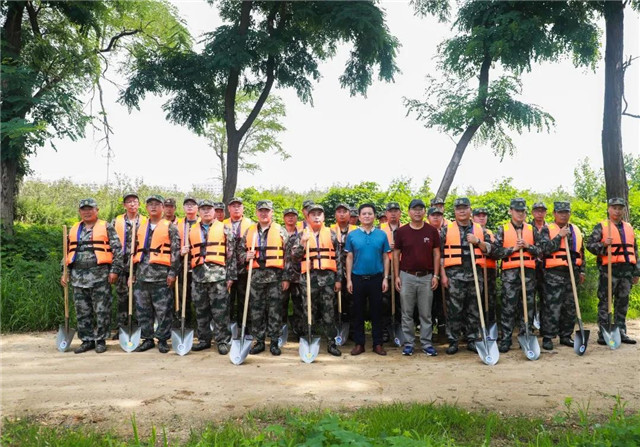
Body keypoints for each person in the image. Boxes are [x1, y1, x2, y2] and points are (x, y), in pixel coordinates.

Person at [61, 199, 123, 354]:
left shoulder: (106, 227)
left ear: (97, 210)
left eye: (90, 209)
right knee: (82, 311)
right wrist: (64, 272)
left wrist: (115, 270)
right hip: (78, 277)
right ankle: (87, 340)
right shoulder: (74, 228)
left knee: (102, 310)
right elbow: (67, 251)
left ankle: (101, 340)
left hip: (100, 275)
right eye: (84, 209)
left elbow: (118, 250)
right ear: (79, 211)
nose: (87, 212)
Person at [491, 198, 544, 353]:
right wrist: (513, 249)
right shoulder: (503, 229)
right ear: (511, 211)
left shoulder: (532, 229)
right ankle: (506, 339)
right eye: (517, 210)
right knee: (508, 307)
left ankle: (525, 336)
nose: (520, 214)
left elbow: (541, 250)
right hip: (510, 275)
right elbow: (495, 252)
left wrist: (528, 246)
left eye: (522, 211)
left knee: (528, 307)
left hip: (528, 274)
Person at [440, 198, 491, 355]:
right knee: (454, 309)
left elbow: (489, 249)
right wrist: (443, 275)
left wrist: (477, 241)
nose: (462, 211)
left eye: (465, 208)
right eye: (458, 208)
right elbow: (439, 255)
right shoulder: (446, 230)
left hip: (475, 276)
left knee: (474, 309)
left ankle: (472, 340)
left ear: (470, 210)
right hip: (454, 276)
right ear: (454, 211)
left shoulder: (480, 229)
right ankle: (453, 341)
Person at [291, 204, 342, 356]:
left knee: (329, 311)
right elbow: (294, 258)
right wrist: (302, 243)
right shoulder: (301, 235)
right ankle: (309, 339)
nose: (317, 216)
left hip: (328, 279)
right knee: (308, 310)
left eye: (319, 214)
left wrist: (338, 279)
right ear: (308, 217)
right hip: (309, 278)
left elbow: (338, 258)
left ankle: (331, 343)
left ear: (324, 217)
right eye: (313, 214)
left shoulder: (332, 234)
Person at [586, 197, 639, 345]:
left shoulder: (629, 227)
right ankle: (604, 332)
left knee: (622, 302)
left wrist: (636, 272)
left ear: (624, 210)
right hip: (609, 271)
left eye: (620, 208)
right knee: (605, 302)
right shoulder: (601, 227)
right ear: (609, 209)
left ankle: (621, 332)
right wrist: (603, 244)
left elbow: (634, 250)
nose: (617, 211)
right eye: (614, 208)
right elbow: (589, 246)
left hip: (626, 271)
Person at [186, 199, 236, 354]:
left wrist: (230, 276)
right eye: (203, 209)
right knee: (201, 311)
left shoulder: (225, 228)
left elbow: (231, 255)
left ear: (214, 211)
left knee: (220, 311)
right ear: (199, 212)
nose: (206, 211)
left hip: (218, 277)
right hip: (198, 276)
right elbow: (189, 254)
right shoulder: (191, 230)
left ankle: (222, 341)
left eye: (209, 209)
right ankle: (204, 340)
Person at [132, 195, 180, 353]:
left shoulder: (170, 227)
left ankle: (162, 339)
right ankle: (147, 339)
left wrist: (172, 273)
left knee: (163, 310)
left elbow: (175, 252)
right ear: (146, 208)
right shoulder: (139, 227)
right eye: (150, 204)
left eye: (157, 204)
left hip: (161, 276)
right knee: (143, 310)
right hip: (142, 275)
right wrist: (132, 273)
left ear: (163, 208)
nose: (153, 207)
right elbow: (134, 251)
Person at [393, 199, 441, 356]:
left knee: (426, 313)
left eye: (421, 209)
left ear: (424, 212)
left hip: (427, 277)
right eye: (415, 209)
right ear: (409, 212)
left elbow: (436, 254)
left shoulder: (432, 231)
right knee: (406, 312)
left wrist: (436, 275)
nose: (418, 212)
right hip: (406, 276)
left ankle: (426, 343)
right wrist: (397, 276)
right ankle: (409, 344)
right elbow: (396, 254)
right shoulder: (401, 232)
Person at [243, 200, 291, 356]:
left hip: (275, 276)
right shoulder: (249, 231)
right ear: (256, 213)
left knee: (275, 310)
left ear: (272, 212)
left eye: (267, 211)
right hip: (256, 276)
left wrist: (286, 278)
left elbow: (288, 256)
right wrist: (245, 256)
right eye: (261, 211)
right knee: (256, 310)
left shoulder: (281, 231)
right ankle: (259, 341)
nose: (264, 214)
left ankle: (275, 342)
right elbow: (238, 252)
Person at [345, 203, 390, 356]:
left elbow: (386, 257)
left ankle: (378, 344)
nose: (367, 216)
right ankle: (359, 344)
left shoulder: (381, 235)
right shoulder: (352, 235)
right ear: (359, 217)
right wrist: (349, 279)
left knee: (377, 311)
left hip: (376, 278)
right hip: (357, 278)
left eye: (370, 213)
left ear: (374, 216)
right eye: (364, 213)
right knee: (358, 312)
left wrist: (385, 278)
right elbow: (349, 257)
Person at [540, 201, 585, 350]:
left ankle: (566, 336)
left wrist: (582, 270)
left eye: (566, 212)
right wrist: (559, 236)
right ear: (554, 213)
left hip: (572, 274)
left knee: (570, 307)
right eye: (560, 212)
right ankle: (548, 337)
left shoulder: (575, 230)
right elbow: (544, 249)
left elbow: (581, 252)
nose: (563, 215)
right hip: (554, 274)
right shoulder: (547, 229)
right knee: (552, 307)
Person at [111, 192, 147, 340]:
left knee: (139, 298)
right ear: (124, 205)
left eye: (135, 201)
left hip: (139, 265)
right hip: (121, 264)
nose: (132, 204)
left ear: (139, 204)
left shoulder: (145, 221)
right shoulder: (116, 221)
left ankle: (139, 327)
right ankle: (122, 327)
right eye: (129, 202)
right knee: (122, 298)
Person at [223, 197, 254, 326]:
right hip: (227, 268)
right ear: (229, 208)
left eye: (238, 206)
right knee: (227, 299)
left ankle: (244, 327)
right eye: (233, 206)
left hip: (245, 269)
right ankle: (228, 327)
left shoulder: (252, 225)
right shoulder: (222, 225)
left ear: (243, 208)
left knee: (244, 299)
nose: (236, 208)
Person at [330, 203, 357, 337]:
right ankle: (336, 329)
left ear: (349, 214)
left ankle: (352, 330)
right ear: (335, 215)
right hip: (334, 271)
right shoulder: (329, 231)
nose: (341, 214)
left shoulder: (357, 231)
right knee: (334, 301)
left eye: (344, 212)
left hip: (353, 271)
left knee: (353, 301)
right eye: (339, 212)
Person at [380, 202, 402, 343]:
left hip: (402, 268)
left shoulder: (406, 228)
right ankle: (385, 329)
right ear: (386, 214)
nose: (393, 214)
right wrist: (387, 247)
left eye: (396, 211)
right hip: (385, 268)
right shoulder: (379, 230)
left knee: (401, 301)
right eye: (390, 211)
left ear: (400, 213)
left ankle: (400, 328)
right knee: (384, 301)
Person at [175, 197, 199, 326]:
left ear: (197, 208)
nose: (190, 206)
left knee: (199, 298)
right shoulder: (177, 225)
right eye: (187, 204)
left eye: (192, 204)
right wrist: (180, 251)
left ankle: (199, 326)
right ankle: (185, 324)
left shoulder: (203, 223)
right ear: (183, 208)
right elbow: (171, 246)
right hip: (182, 266)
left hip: (199, 267)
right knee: (182, 297)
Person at [472, 207, 498, 326]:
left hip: (489, 271)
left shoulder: (490, 233)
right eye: (478, 216)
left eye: (484, 216)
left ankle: (489, 326)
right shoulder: (469, 232)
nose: (481, 218)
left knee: (490, 300)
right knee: (475, 300)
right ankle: (475, 327)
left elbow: (495, 251)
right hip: (475, 270)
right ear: (473, 217)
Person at [282, 207, 304, 338]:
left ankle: (299, 331)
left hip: (298, 276)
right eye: (288, 215)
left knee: (299, 304)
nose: (290, 218)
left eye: (293, 215)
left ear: (297, 218)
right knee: (280, 304)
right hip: (281, 275)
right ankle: (280, 332)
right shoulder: (278, 233)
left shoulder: (302, 234)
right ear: (284, 218)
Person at [428, 206, 447, 338]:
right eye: (433, 215)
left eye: (439, 215)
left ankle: (443, 329)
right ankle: (428, 330)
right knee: (429, 302)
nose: (436, 217)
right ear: (428, 217)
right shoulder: (424, 231)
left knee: (443, 301)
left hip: (446, 271)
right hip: (428, 271)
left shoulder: (447, 232)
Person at [531, 202, 548, 333]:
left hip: (547, 268)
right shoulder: (527, 227)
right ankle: (530, 325)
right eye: (537, 210)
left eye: (542, 211)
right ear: (532, 212)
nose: (539, 213)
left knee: (546, 297)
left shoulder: (550, 228)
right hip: (531, 268)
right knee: (529, 298)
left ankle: (544, 326)